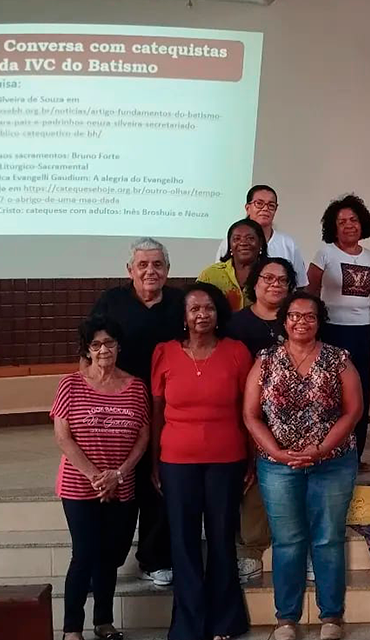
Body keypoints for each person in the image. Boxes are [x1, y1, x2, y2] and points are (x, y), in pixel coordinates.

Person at [243, 292, 363, 640]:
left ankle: (331, 617)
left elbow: (353, 411)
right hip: (278, 465)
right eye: (294, 316)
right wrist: (278, 454)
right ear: (284, 321)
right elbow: (250, 415)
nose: (301, 322)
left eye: (309, 316)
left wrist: (321, 448)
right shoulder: (265, 360)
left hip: (333, 462)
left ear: (318, 321)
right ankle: (286, 619)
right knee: (288, 541)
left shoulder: (338, 358)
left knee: (327, 539)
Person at [150, 282, 253, 640]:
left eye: (208, 308)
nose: (201, 315)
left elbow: (248, 411)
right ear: (183, 316)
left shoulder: (237, 352)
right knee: (184, 541)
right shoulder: (164, 353)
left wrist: (251, 460)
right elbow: (157, 412)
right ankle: (188, 625)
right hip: (176, 460)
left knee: (222, 539)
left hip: (227, 457)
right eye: (194, 309)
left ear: (218, 313)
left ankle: (225, 621)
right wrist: (154, 462)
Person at [89, 237, 182, 587]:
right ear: (130, 270)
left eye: (157, 264)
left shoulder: (179, 303)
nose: (150, 271)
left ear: (168, 270)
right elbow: (89, 349)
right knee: (122, 481)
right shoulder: (111, 302)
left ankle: (154, 557)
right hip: (119, 406)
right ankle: (110, 558)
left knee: (157, 483)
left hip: (169, 408)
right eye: (142, 265)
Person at [52, 315, 150, 640]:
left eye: (109, 343)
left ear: (119, 346)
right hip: (80, 486)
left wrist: (118, 475)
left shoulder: (136, 387)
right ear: (87, 350)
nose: (103, 349)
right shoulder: (71, 384)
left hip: (122, 486)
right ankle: (71, 629)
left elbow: (143, 436)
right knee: (84, 555)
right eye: (96, 344)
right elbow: (63, 437)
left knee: (110, 556)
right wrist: (96, 476)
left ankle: (104, 622)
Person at [226, 256, 297, 585]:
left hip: (295, 417)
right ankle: (251, 551)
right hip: (248, 413)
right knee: (251, 480)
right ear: (254, 284)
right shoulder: (236, 325)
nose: (275, 285)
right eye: (268, 278)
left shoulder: (296, 320)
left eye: (282, 280)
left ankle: (297, 547)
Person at [307, 194, 370, 463]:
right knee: (331, 393)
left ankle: (355, 453)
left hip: (361, 332)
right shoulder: (324, 254)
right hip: (332, 331)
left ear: (363, 224)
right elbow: (311, 294)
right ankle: (329, 450)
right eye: (342, 221)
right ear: (333, 226)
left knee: (359, 392)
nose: (349, 225)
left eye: (354, 220)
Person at [215, 185, 308, 287]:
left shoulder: (288, 243)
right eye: (259, 203)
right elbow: (219, 276)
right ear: (247, 208)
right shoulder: (232, 242)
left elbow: (300, 284)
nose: (265, 208)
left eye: (271, 205)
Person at [200, 218, 268, 311]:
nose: (243, 243)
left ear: (260, 243)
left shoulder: (271, 274)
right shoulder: (210, 275)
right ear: (230, 245)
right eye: (237, 239)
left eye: (250, 238)